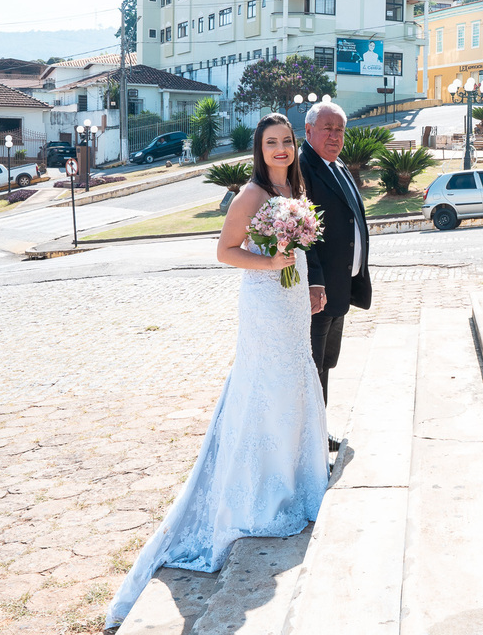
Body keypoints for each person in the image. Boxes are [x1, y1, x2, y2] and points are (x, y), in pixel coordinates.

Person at [105, 113, 328, 628]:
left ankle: (300, 479)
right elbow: (225, 252)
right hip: (263, 302)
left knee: (296, 382)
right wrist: (272, 265)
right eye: (271, 143)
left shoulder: (296, 186)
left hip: (292, 299)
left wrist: (308, 280)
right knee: (266, 387)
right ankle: (263, 493)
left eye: (286, 142)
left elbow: (296, 248)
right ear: (259, 148)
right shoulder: (250, 195)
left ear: (295, 146)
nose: (280, 149)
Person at [300, 100, 371, 447]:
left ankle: (318, 430)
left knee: (325, 364)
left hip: (340, 289)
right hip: (319, 293)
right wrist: (315, 282)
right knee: (311, 370)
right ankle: (310, 439)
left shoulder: (336, 165)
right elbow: (303, 235)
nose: (334, 135)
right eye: (327, 128)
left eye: (340, 129)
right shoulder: (303, 169)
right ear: (309, 130)